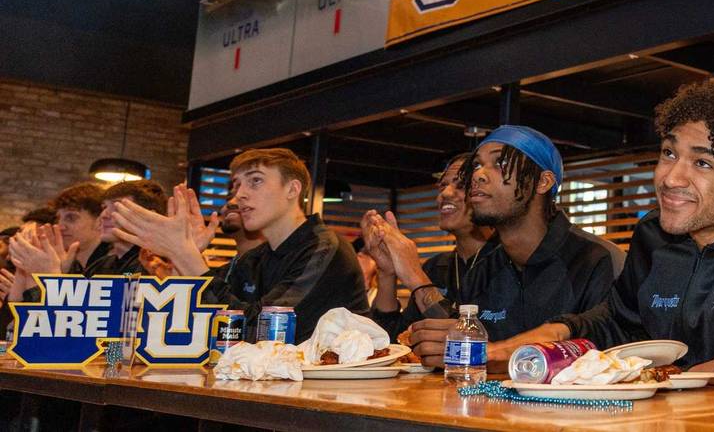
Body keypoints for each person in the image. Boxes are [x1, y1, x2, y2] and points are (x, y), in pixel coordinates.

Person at [485, 81, 714, 391]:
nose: (670, 178)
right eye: (668, 153)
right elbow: (621, 321)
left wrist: (697, 376)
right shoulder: (653, 234)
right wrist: (553, 334)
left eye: (702, 162)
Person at [400, 127, 624, 363]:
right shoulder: (483, 271)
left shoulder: (596, 260)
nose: (478, 175)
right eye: (476, 165)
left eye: (500, 163)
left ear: (543, 182)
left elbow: (611, 360)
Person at [109, 149, 369, 342]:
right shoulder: (256, 258)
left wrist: (184, 254)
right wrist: (186, 255)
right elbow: (195, 322)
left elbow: (263, 330)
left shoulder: (324, 248)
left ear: (292, 189)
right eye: (237, 185)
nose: (239, 194)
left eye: (255, 180)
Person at [364, 154, 498, 340]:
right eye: (442, 185)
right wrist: (387, 272)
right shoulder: (436, 268)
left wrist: (414, 276)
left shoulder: (507, 262)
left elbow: (473, 341)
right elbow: (392, 342)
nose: (445, 194)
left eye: (460, 185)